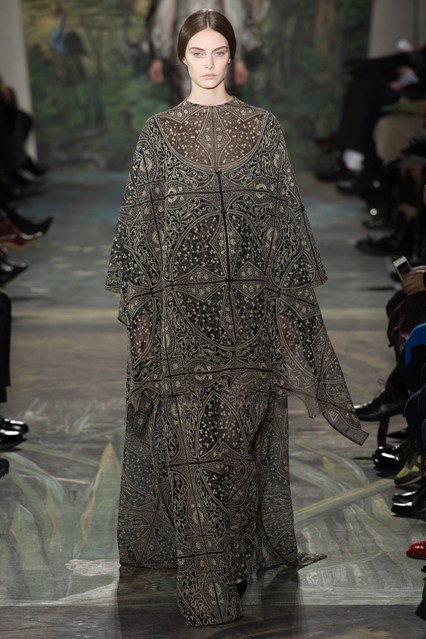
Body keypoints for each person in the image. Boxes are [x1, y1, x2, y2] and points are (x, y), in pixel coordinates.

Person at [106, 9, 368, 627]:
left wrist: (285, 310)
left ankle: (231, 559)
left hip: (250, 313)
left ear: (233, 56)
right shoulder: (157, 133)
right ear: (181, 58)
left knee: (235, 443)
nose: (209, 63)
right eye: (198, 52)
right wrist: (143, 320)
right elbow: (140, 230)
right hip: (179, 317)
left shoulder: (263, 128)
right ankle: (207, 578)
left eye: (219, 52)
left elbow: (283, 222)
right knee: (187, 449)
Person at [147, 0, 261, 105]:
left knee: (219, 99)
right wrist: (158, 56)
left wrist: (239, 58)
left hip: (217, 48)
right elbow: (165, 16)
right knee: (186, 99)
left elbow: (234, 14)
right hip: (186, 49)